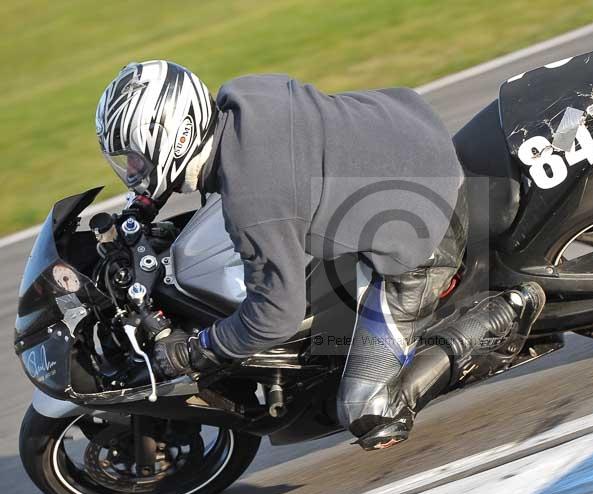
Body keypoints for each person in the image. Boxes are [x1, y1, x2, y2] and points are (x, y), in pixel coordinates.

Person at [95, 60, 467, 450]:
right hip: (407, 125)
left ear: (178, 133)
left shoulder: (255, 204)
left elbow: (275, 318)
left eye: (135, 157)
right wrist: (144, 206)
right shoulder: (241, 98)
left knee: (367, 410)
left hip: (429, 226)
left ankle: (500, 313)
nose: (132, 168)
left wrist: (197, 349)